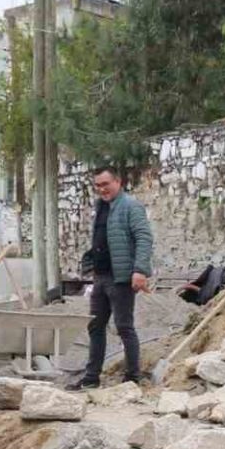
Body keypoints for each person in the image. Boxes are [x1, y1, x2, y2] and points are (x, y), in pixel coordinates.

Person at [69, 167, 154, 390]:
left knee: (124, 327)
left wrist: (140, 270)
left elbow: (144, 237)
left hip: (121, 278)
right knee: (95, 326)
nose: (101, 189)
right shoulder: (101, 207)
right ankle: (91, 379)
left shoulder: (130, 206)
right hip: (100, 277)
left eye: (105, 184)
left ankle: (132, 378)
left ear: (118, 182)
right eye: (97, 185)